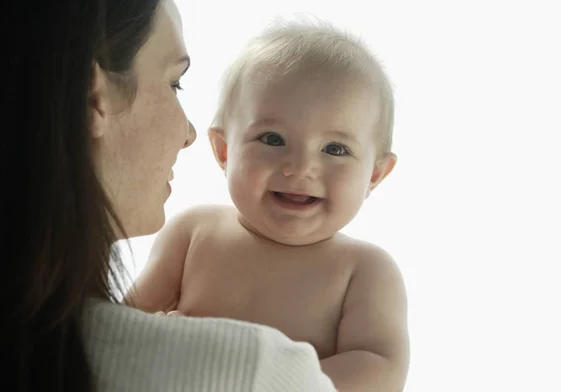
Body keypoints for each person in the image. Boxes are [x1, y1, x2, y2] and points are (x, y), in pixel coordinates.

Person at [3, 0, 336, 391]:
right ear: (93, 98)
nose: (189, 133)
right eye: (174, 82)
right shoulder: (250, 371)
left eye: (335, 149)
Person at [127, 20, 410, 391]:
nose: (300, 167)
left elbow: (380, 369)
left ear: (374, 174)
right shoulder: (192, 233)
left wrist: (262, 379)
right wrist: (162, 337)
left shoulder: (364, 271)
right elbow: (121, 326)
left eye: (335, 149)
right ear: (224, 151)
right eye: (272, 139)